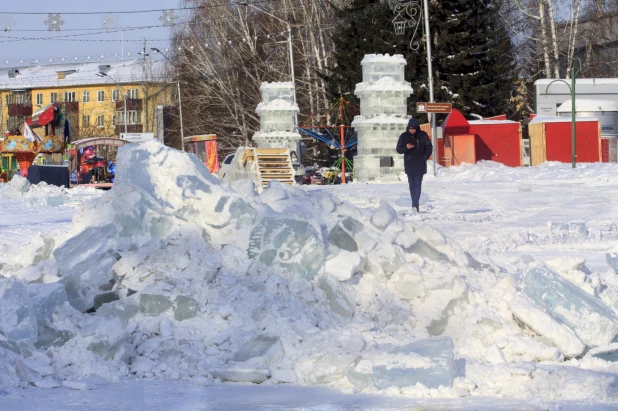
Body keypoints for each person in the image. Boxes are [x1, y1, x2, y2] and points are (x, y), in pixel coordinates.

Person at [396, 118, 433, 213]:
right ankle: (414, 203)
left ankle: (415, 205)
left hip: (420, 164)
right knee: (411, 185)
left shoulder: (423, 135)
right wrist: (406, 148)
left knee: (417, 184)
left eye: (413, 128)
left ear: (417, 128)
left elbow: (429, 147)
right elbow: (399, 149)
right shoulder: (404, 136)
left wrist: (424, 158)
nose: (412, 130)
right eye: (410, 128)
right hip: (409, 163)